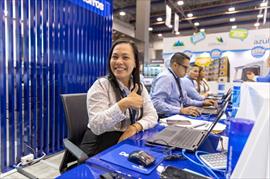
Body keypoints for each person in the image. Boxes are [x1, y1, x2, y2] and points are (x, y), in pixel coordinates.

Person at [80, 39, 158, 157]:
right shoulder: (101, 85)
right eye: (115, 57)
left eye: (125, 57)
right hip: (100, 144)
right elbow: (96, 126)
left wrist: (134, 127)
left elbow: (152, 115)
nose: (119, 62)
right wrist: (123, 104)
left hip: (128, 138)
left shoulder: (139, 87)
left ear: (135, 63)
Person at [150, 52, 216, 117]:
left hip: (176, 115)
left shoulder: (178, 78)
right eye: (185, 67)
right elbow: (156, 103)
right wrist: (180, 110)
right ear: (175, 65)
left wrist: (202, 103)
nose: (187, 71)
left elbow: (185, 100)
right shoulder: (166, 78)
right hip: (166, 117)